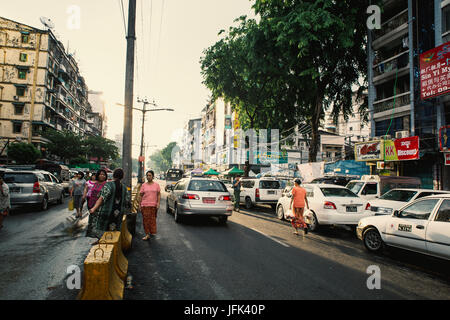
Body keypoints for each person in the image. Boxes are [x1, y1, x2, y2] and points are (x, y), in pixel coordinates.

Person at [88, 168, 130, 242]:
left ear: (113, 176)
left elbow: (101, 198)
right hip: (118, 214)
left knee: (103, 229)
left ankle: (101, 241)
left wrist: (93, 208)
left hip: (106, 212)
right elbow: (127, 202)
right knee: (114, 231)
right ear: (122, 177)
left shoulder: (108, 185)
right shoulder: (124, 188)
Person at [85, 169, 107, 239]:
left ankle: (101, 239)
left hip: (101, 207)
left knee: (100, 225)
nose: (102, 176)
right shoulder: (95, 183)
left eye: (103, 174)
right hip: (92, 205)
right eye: (100, 174)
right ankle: (98, 239)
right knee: (93, 224)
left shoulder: (106, 184)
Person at [139, 170, 161, 241]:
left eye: (150, 175)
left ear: (153, 176)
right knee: (146, 220)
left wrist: (158, 203)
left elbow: (158, 194)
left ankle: (151, 232)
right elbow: (141, 195)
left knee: (152, 220)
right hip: (144, 205)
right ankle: (147, 234)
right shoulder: (143, 185)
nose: (148, 177)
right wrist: (139, 205)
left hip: (153, 206)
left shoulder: (156, 185)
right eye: (147, 175)